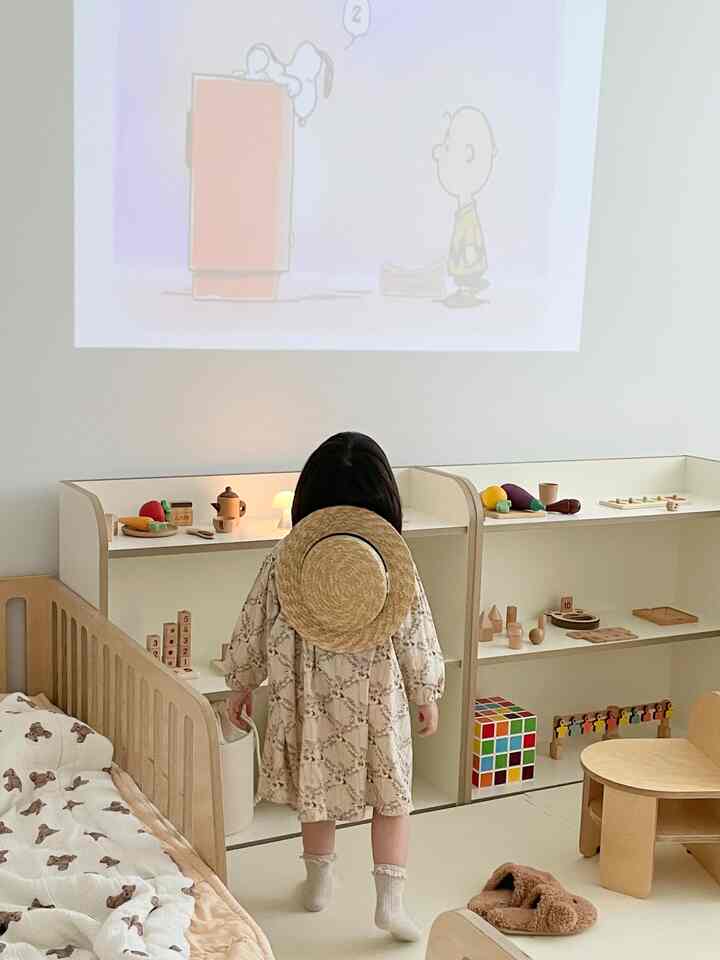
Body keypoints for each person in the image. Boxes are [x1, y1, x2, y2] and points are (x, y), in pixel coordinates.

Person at [223, 432, 444, 942]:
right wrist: (425, 690)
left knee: (315, 788)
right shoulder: (391, 558)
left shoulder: (287, 557)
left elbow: (254, 622)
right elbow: (418, 627)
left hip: (311, 697)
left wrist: (242, 681)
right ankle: (387, 901)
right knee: (392, 797)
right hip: (379, 699)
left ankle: (321, 880)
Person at [433, 106, 497, 308]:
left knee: (466, 272)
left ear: (468, 154)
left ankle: (466, 291)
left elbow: (470, 239)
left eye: (447, 146)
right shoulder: (465, 212)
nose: (437, 153)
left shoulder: (467, 215)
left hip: (467, 264)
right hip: (466, 263)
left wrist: (469, 257)